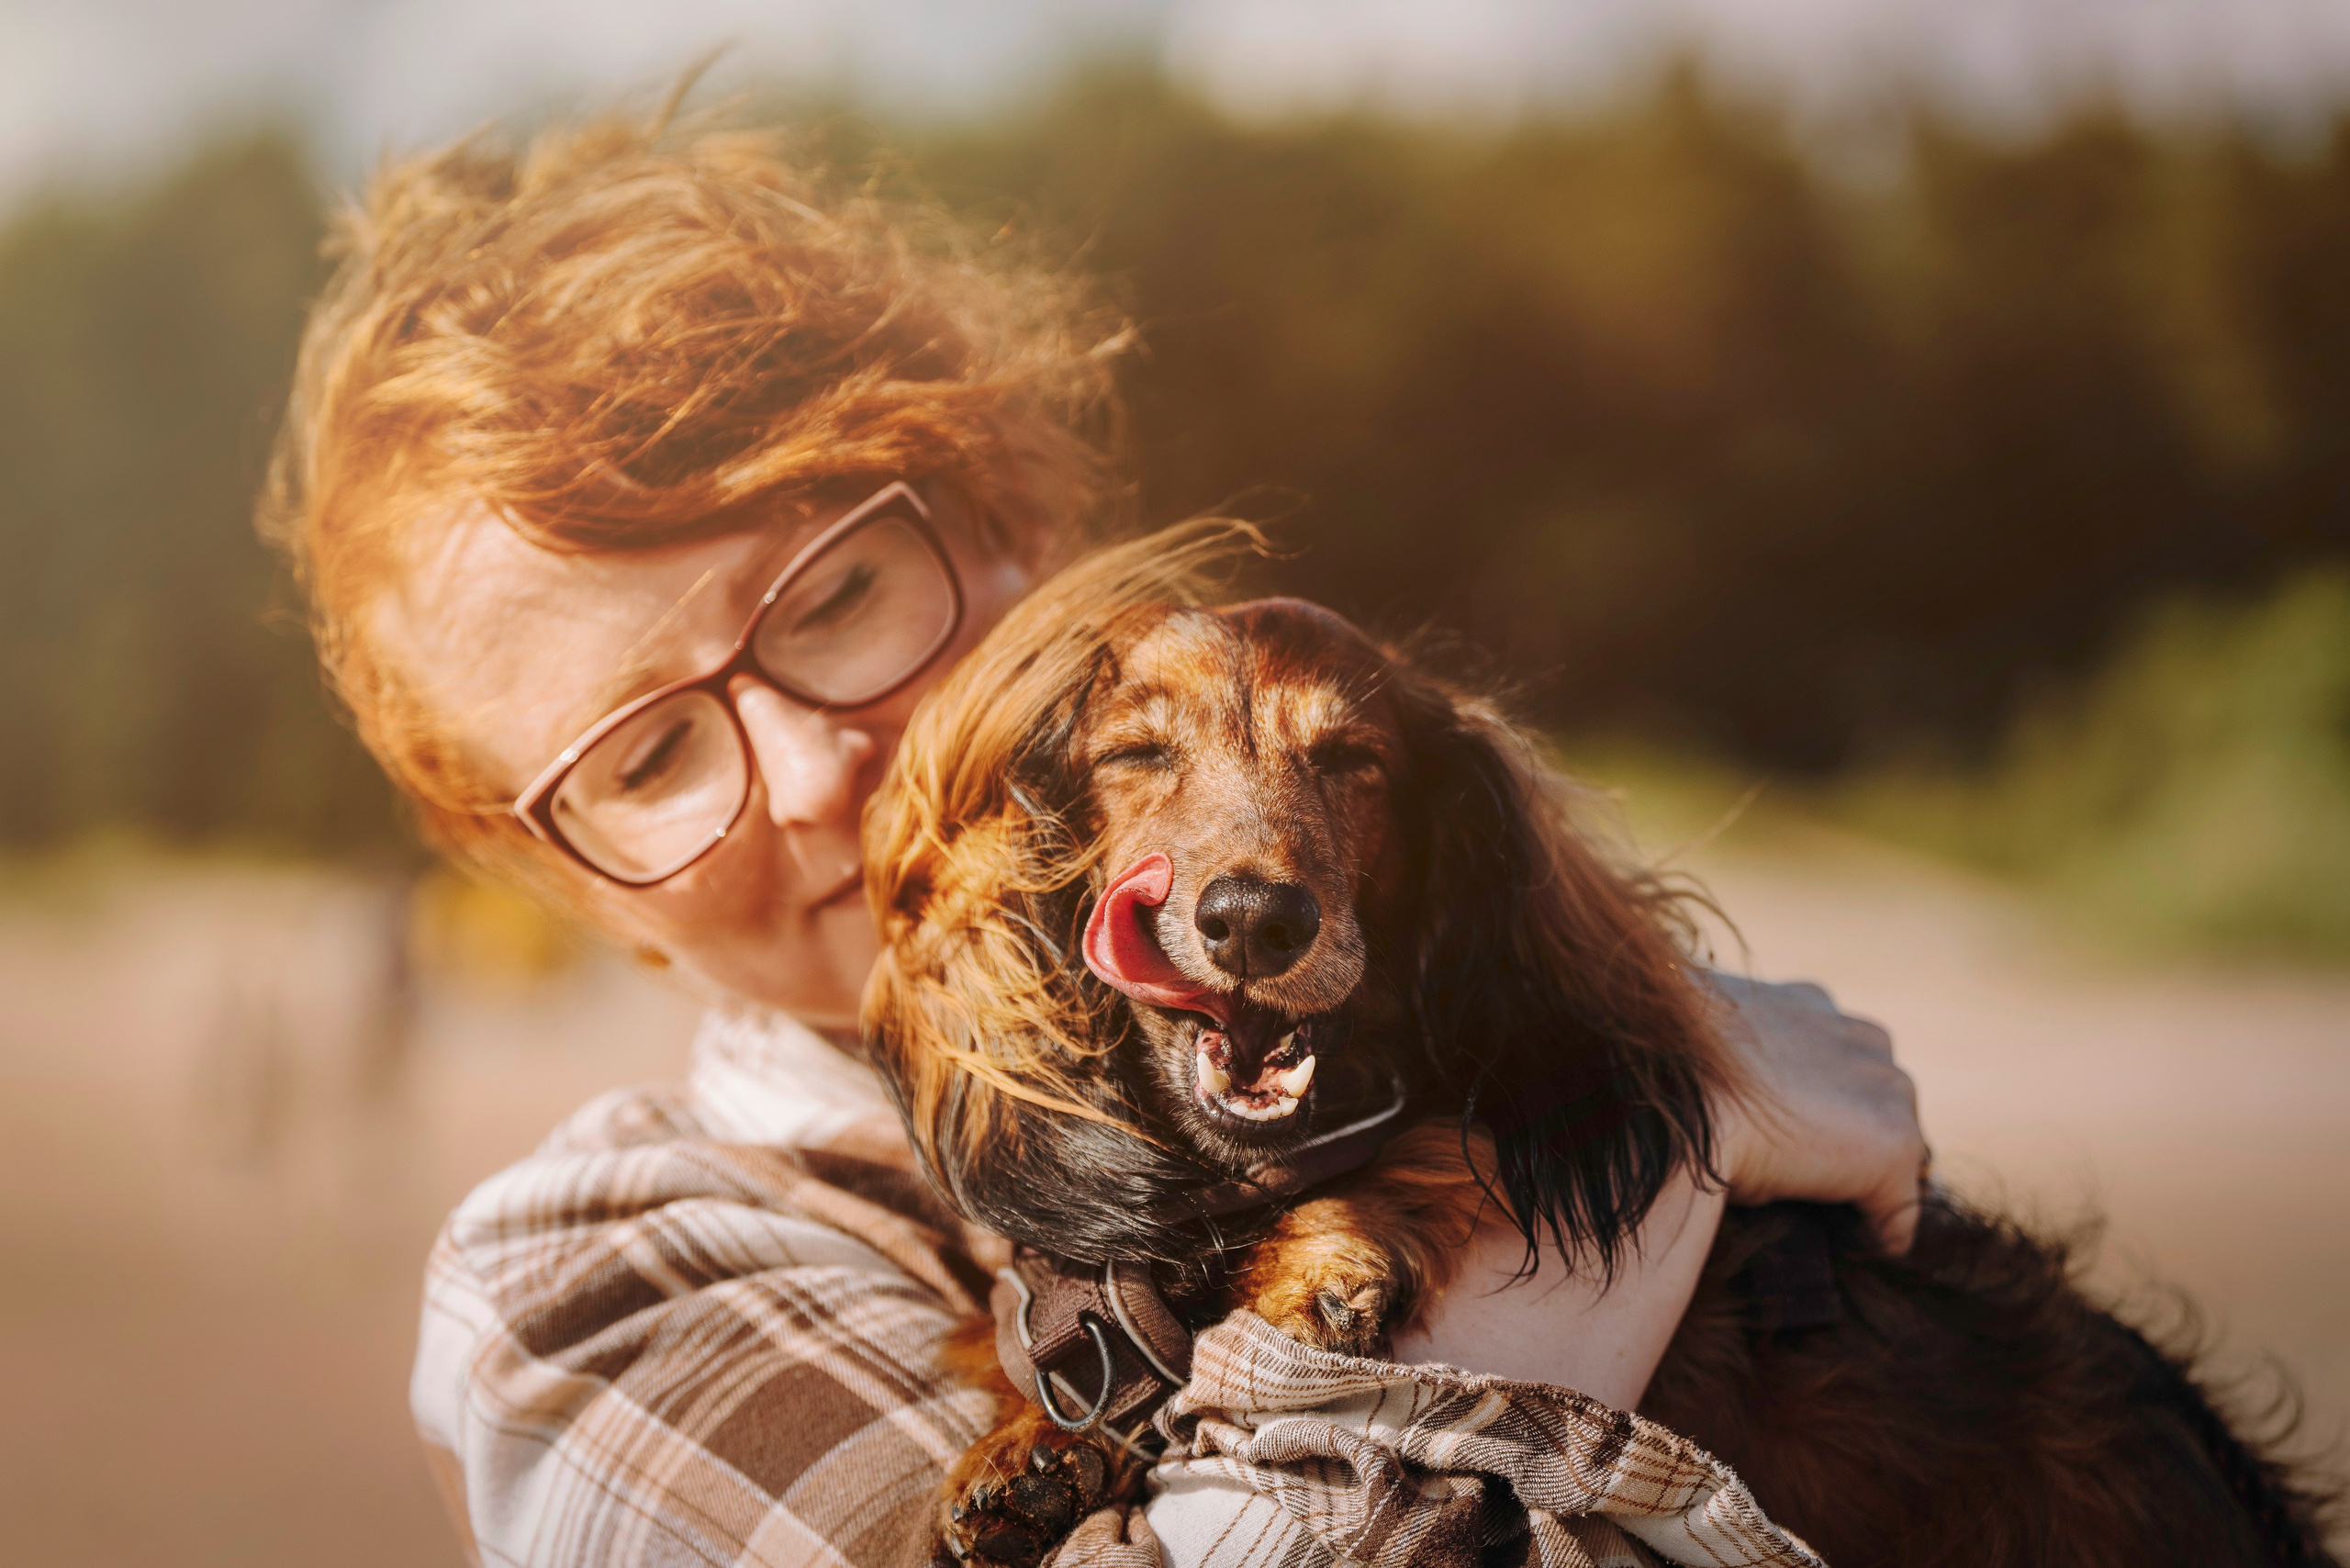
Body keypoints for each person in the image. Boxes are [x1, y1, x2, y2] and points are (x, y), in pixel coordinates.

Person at [261, 103, 1927, 1567]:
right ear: (558, 876)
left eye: (839, 596)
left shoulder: (1420, 936)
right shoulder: (592, 1290)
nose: (815, 778)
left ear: (1026, 522)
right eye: (644, 760)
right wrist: (1652, 1132)